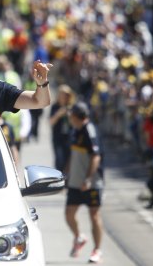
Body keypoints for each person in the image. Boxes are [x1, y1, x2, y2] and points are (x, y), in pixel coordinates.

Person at [65, 101, 104, 263]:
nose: (69, 117)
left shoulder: (90, 131)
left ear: (77, 116)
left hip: (91, 182)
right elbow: (73, 154)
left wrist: (88, 179)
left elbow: (96, 156)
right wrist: (65, 173)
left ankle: (97, 250)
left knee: (94, 215)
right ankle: (79, 237)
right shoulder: (75, 130)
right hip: (75, 181)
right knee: (69, 214)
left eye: (71, 114)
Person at [49, 84, 75, 171]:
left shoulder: (71, 107)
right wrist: (59, 114)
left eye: (66, 94)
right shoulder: (55, 107)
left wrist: (70, 116)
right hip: (58, 137)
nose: (64, 96)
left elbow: (75, 124)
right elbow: (51, 122)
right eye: (62, 94)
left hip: (69, 137)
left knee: (69, 160)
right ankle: (59, 177)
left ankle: (67, 179)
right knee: (59, 160)